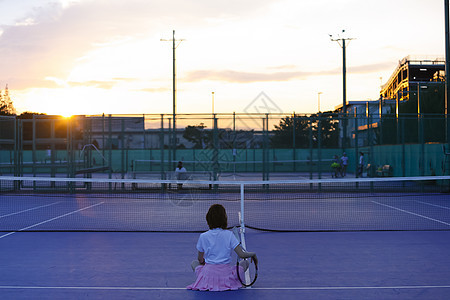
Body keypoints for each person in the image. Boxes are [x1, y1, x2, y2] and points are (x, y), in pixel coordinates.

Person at [187, 204, 258, 291]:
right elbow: (242, 255)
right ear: (224, 219)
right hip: (226, 275)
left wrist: (205, 263)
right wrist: (253, 254)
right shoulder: (229, 235)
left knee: (194, 263)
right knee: (245, 263)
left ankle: (205, 279)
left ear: (208, 219)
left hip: (208, 275)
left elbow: (200, 259)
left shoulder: (203, 236)